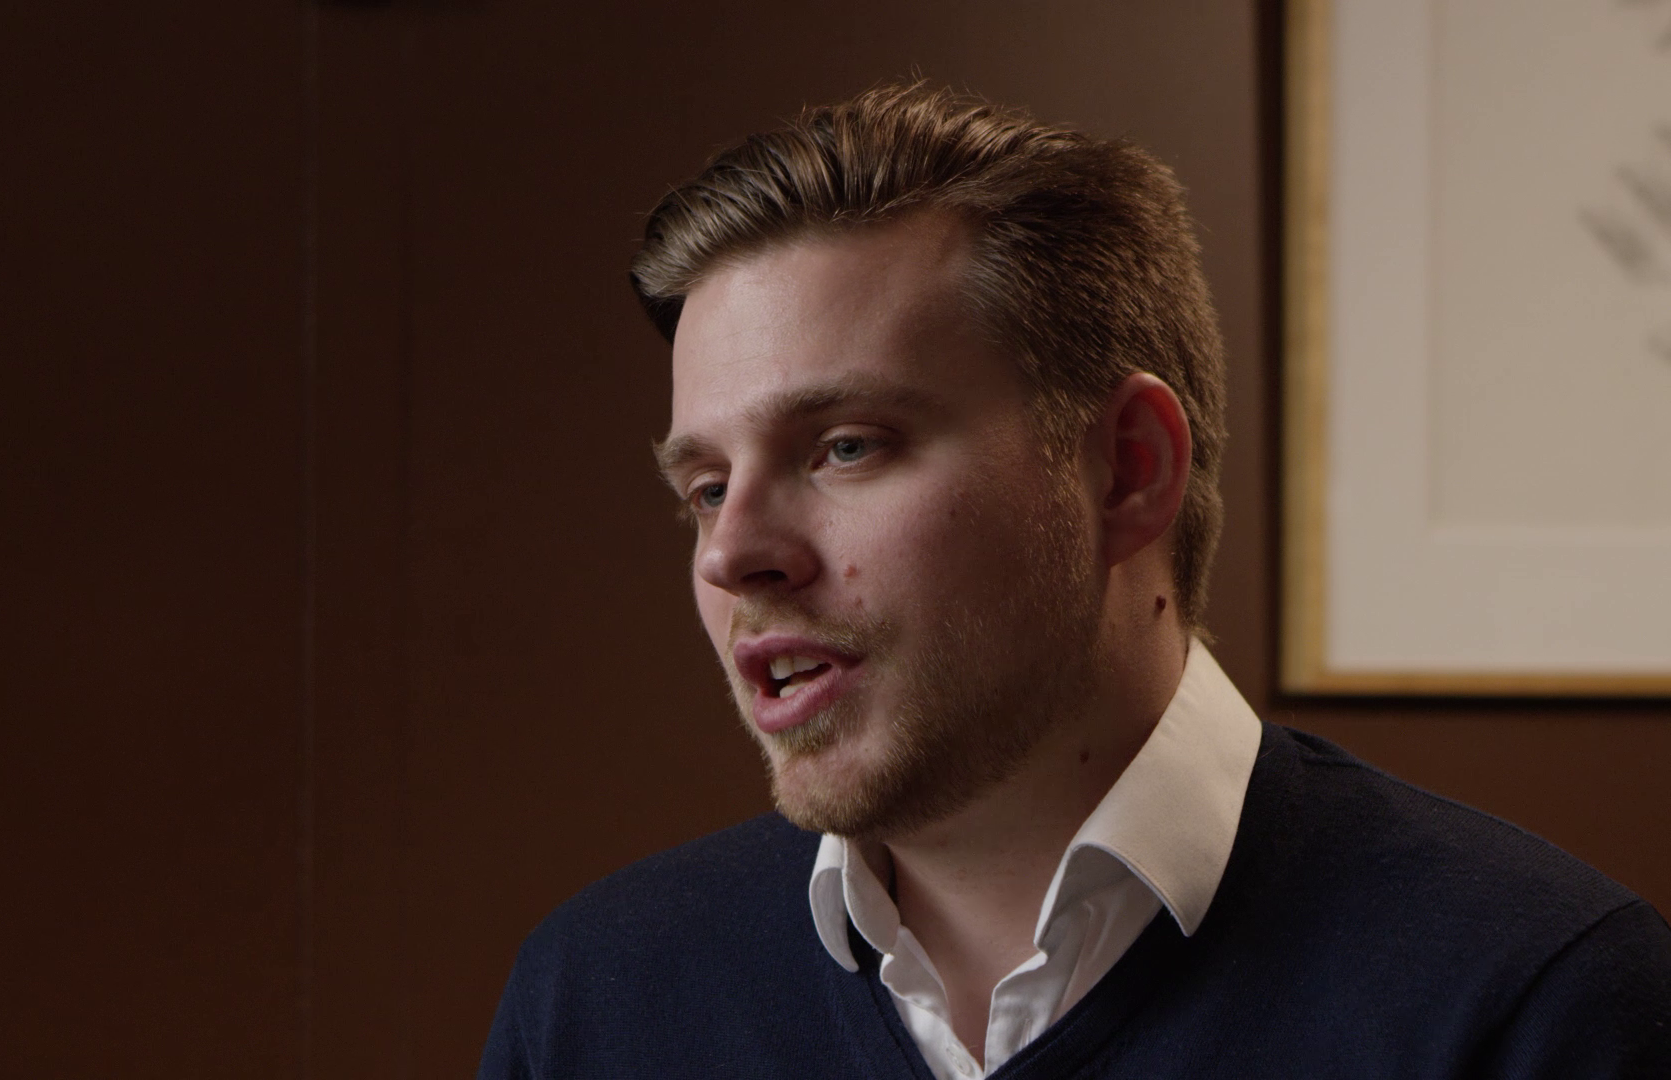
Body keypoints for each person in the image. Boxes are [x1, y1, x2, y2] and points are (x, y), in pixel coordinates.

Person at [476, 83, 1671, 1079]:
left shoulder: (1541, 1004)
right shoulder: (597, 1004)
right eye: (704, 487)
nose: (734, 553)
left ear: (1126, 470)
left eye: (844, 446)